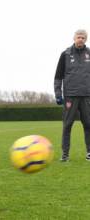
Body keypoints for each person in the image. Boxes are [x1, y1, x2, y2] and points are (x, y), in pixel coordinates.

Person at [54, 29, 90, 162]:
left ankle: (89, 153)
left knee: (88, 124)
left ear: (85, 39)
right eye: (78, 37)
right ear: (74, 38)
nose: (80, 39)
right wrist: (58, 94)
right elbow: (58, 76)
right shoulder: (66, 54)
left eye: (83, 37)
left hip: (87, 96)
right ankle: (65, 155)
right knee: (67, 125)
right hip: (70, 96)